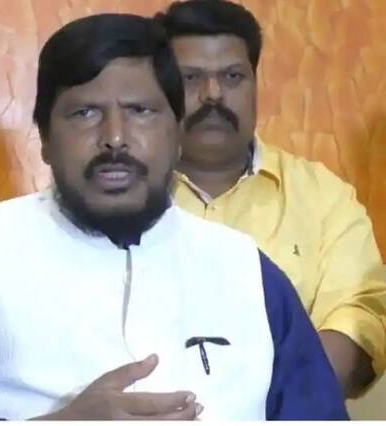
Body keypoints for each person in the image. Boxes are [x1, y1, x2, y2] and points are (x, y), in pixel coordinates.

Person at [0, 13, 348, 420]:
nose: (115, 138)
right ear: (45, 139)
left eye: (140, 111)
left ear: (177, 133)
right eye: (85, 113)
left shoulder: (247, 271)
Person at [156, 0, 386, 398]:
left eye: (232, 76)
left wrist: (281, 401)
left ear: (255, 83)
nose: (213, 94)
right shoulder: (119, 197)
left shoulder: (322, 196)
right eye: (191, 78)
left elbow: (361, 310)